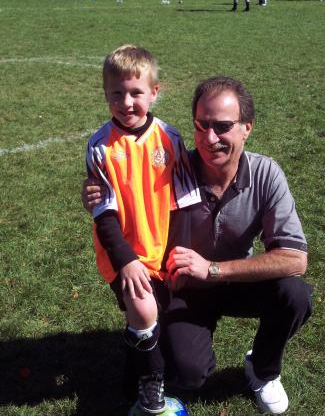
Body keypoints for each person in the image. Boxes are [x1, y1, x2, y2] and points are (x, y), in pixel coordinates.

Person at [83, 76, 312, 415]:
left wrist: (215, 269)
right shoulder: (173, 167)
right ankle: (153, 350)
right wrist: (99, 193)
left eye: (222, 127)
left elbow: (295, 258)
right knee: (188, 377)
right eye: (201, 125)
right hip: (184, 288)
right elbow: (129, 185)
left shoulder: (265, 174)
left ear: (247, 127)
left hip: (235, 280)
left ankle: (263, 369)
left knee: (295, 294)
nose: (209, 138)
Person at [85, 45, 200, 414]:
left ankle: (132, 368)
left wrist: (175, 256)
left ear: (155, 92)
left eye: (136, 92)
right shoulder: (100, 146)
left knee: (151, 319)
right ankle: (152, 385)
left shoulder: (170, 138)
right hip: (123, 254)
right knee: (143, 307)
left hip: (163, 250)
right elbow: (104, 215)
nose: (126, 102)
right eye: (116, 93)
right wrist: (127, 262)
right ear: (106, 95)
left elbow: (183, 204)